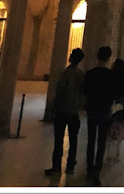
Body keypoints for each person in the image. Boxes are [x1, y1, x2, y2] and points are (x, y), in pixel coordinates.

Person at [45, 48, 85, 177]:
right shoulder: (81, 75)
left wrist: (54, 107)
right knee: (73, 141)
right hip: (74, 112)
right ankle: (70, 166)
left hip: (63, 111)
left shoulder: (66, 74)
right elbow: (83, 93)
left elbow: (60, 92)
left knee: (58, 140)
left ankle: (56, 166)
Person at [84, 46, 116, 186]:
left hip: (92, 111)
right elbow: (112, 94)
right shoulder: (110, 75)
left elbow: (85, 91)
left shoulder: (90, 74)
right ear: (109, 57)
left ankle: (89, 168)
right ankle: (97, 168)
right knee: (101, 141)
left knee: (91, 140)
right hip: (104, 112)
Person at [108, 58, 124, 162]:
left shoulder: (110, 76)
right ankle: (117, 151)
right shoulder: (123, 79)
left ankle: (108, 151)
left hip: (112, 102)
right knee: (119, 125)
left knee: (110, 124)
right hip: (120, 104)